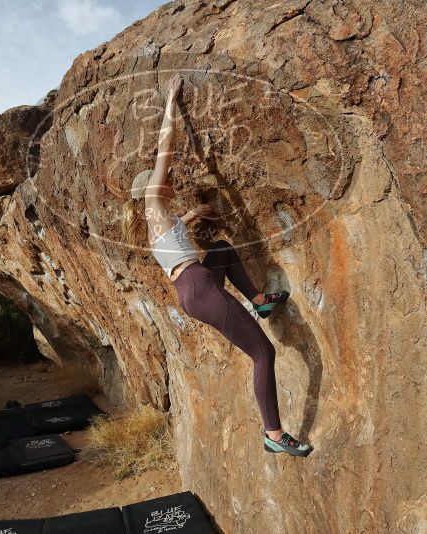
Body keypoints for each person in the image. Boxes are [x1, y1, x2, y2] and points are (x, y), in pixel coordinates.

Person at [121, 74, 312, 457]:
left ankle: (259, 299)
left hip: (194, 285)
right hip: (201, 288)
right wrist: (172, 102)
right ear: (152, 189)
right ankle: (273, 435)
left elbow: (175, 244)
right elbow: (165, 149)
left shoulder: (157, 223)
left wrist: (190, 215)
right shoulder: (154, 204)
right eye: (164, 181)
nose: (170, 181)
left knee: (222, 248)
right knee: (263, 353)